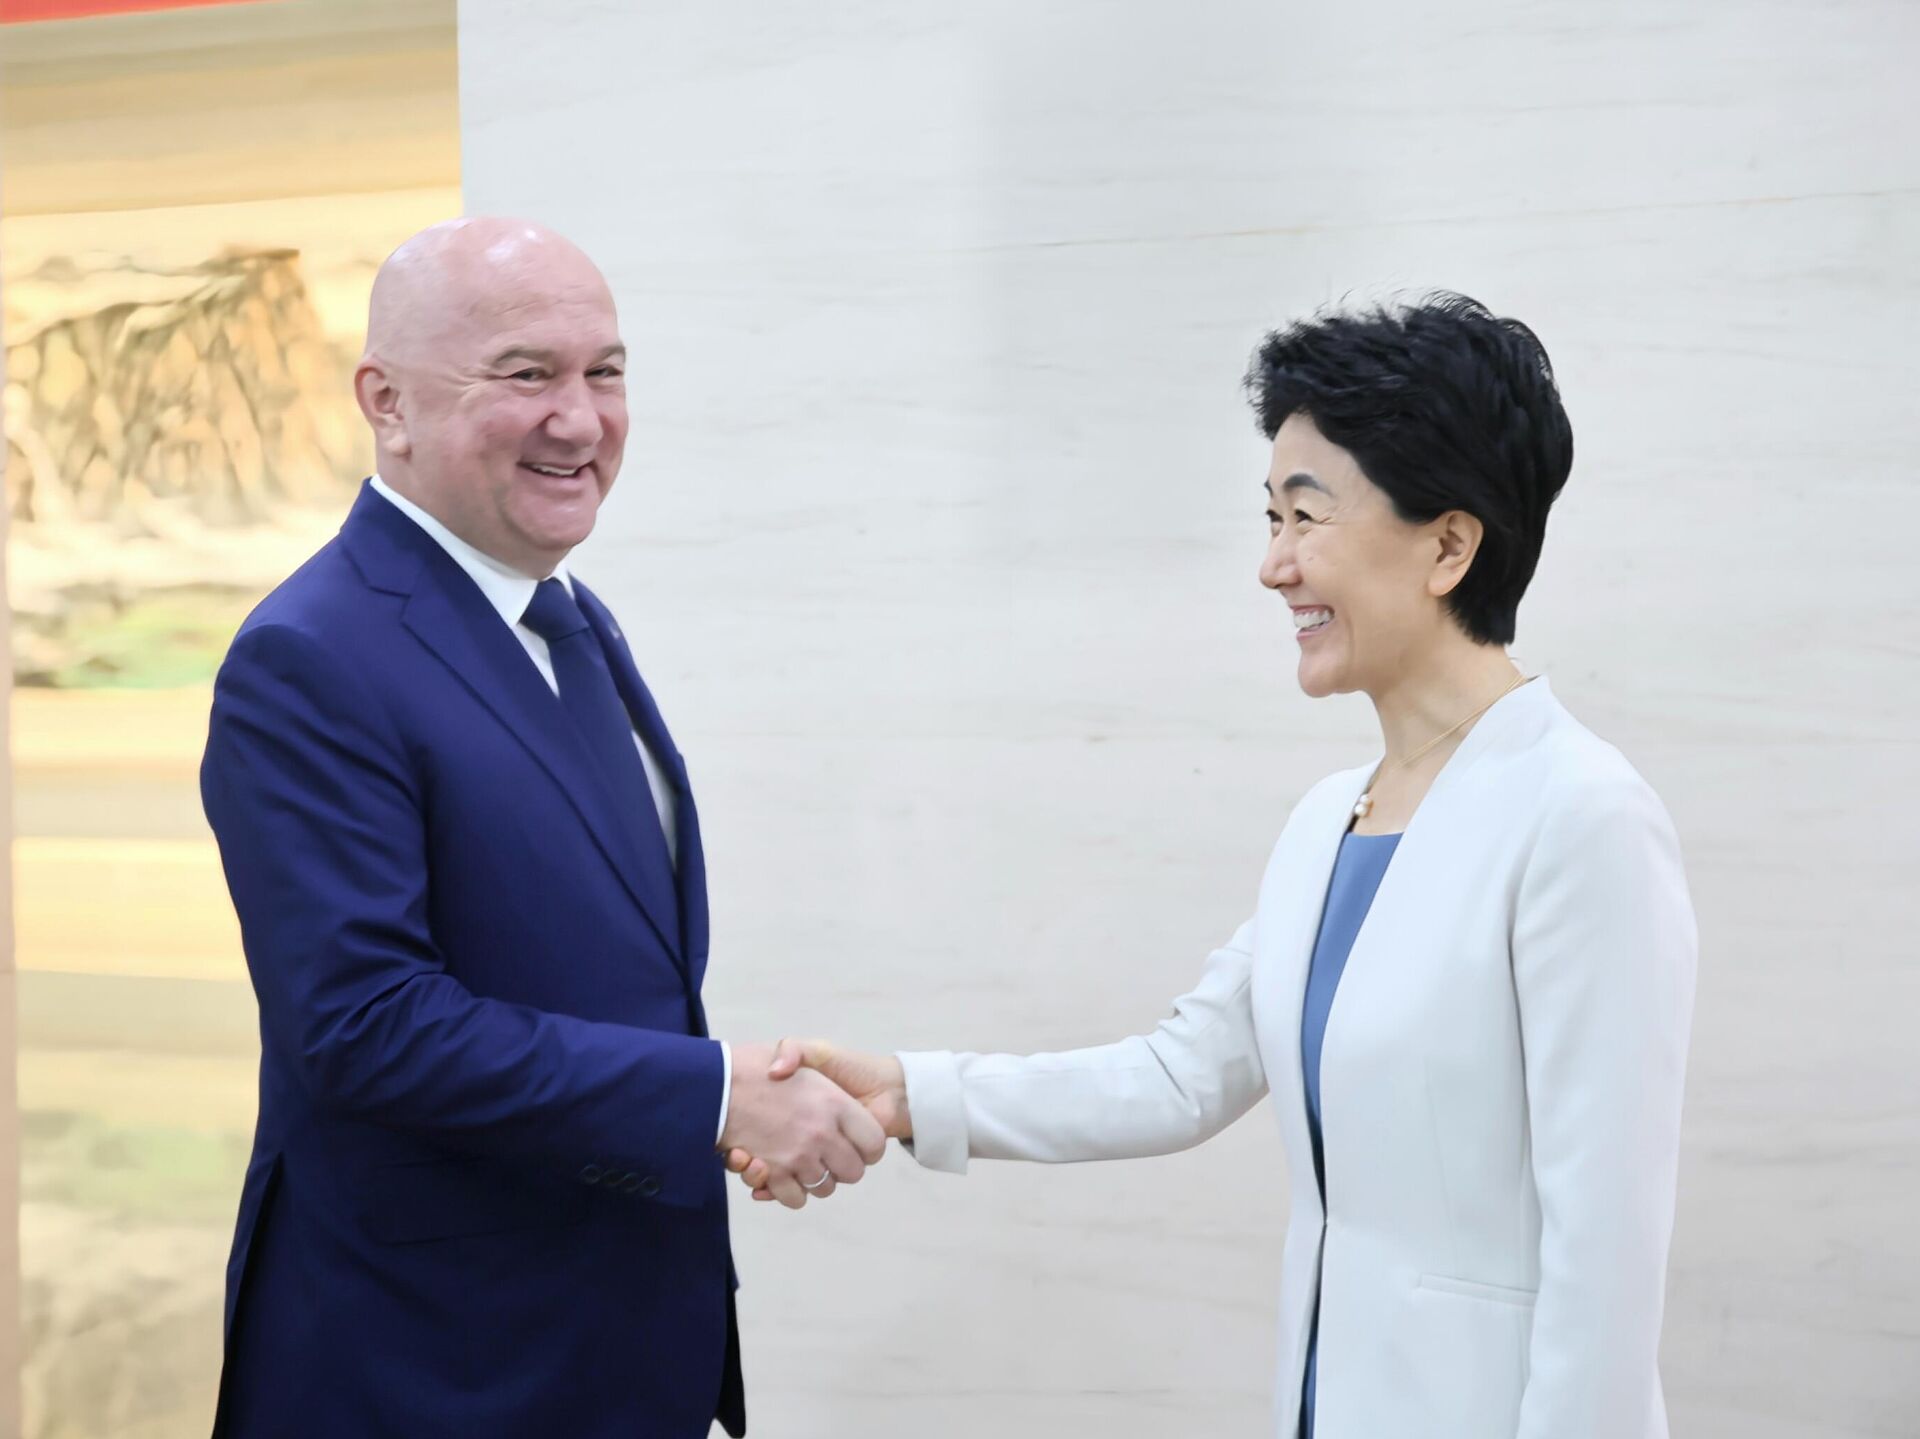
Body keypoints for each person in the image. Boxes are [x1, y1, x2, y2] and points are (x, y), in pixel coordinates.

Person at [730, 294, 1698, 1438]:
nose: (1273, 566)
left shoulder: (1580, 817)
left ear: (1448, 544)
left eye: (1306, 516)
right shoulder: (1329, 820)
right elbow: (1180, 1075)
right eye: (1271, 517)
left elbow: (1607, 1256)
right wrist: (912, 1092)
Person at [200, 216, 885, 1439]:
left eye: (604, 372)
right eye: (526, 374)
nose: (580, 420)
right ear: (388, 403)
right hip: (428, 1363)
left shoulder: (573, 617)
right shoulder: (308, 656)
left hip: (612, 1340)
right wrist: (711, 1096)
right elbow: (364, 1023)